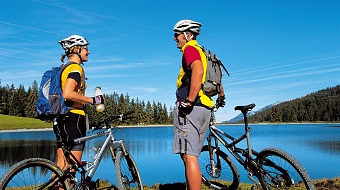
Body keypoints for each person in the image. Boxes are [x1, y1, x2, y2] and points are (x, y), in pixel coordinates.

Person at [172, 20, 225, 190]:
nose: (174, 38)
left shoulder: (190, 49)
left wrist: (189, 100)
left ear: (187, 35)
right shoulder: (204, 52)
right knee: (190, 153)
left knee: (189, 155)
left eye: (176, 34)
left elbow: (198, 70)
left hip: (191, 109)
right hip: (205, 108)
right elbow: (216, 78)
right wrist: (221, 95)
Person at [54, 35, 104, 186]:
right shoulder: (76, 68)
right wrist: (93, 100)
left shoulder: (63, 68)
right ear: (76, 49)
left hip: (61, 118)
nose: (88, 52)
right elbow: (68, 93)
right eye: (86, 49)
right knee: (71, 170)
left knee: (60, 168)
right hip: (73, 119)